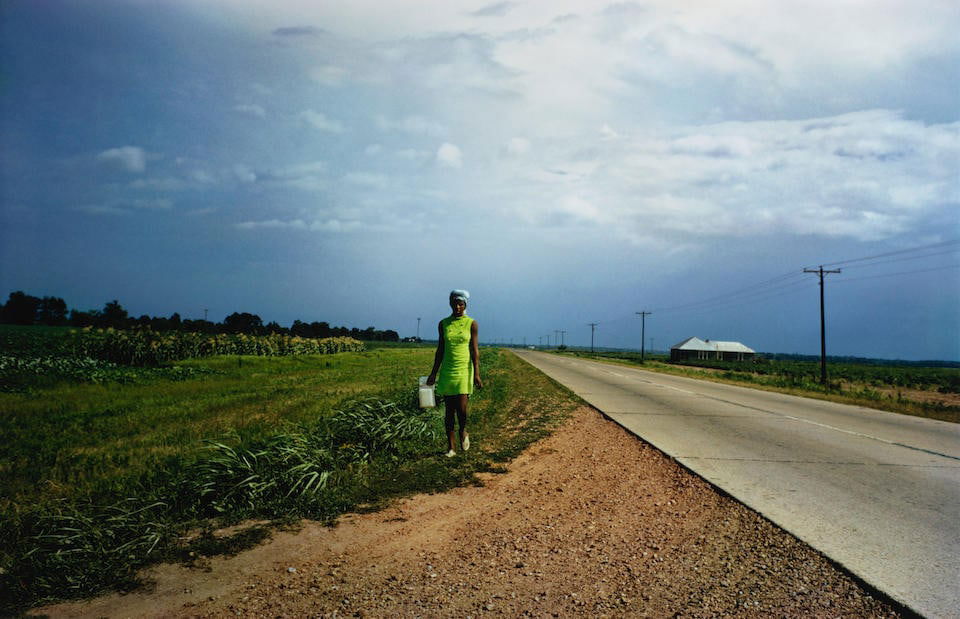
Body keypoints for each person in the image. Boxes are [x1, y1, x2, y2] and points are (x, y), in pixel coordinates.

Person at [426, 289, 482, 457]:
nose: (458, 307)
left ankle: (463, 430)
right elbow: (440, 349)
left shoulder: (472, 323)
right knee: (449, 410)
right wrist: (433, 373)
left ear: (465, 305)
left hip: (464, 370)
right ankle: (451, 448)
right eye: (455, 303)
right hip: (448, 370)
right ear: (450, 304)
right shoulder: (443, 323)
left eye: (461, 304)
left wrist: (477, 374)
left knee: (462, 409)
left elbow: (474, 350)